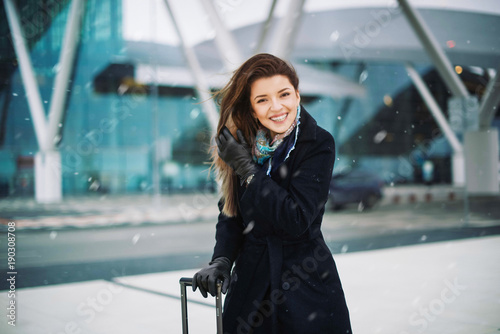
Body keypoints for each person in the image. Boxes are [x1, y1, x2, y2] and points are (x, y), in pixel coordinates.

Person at [192, 53, 352, 334]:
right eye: (262, 99)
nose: (276, 107)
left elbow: (297, 218)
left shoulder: (317, 143)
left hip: (306, 286)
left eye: (284, 94)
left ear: (298, 96)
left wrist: (248, 170)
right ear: (253, 109)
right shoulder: (245, 143)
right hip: (251, 290)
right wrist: (222, 259)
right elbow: (231, 213)